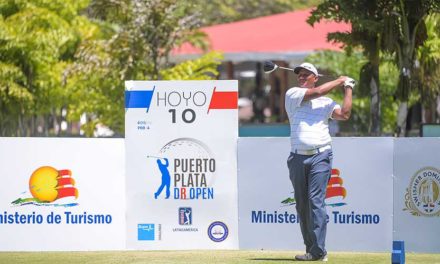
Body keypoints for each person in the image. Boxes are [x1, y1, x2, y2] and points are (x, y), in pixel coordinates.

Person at [285, 62, 354, 261]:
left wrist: (348, 88)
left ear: (316, 77)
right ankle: (311, 248)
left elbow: (345, 114)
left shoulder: (326, 102)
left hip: (320, 156)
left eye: (307, 75)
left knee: (316, 201)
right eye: (300, 75)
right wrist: (340, 79)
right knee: (302, 205)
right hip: (297, 157)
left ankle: (318, 251)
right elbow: (314, 93)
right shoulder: (292, 94)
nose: (302, 78)